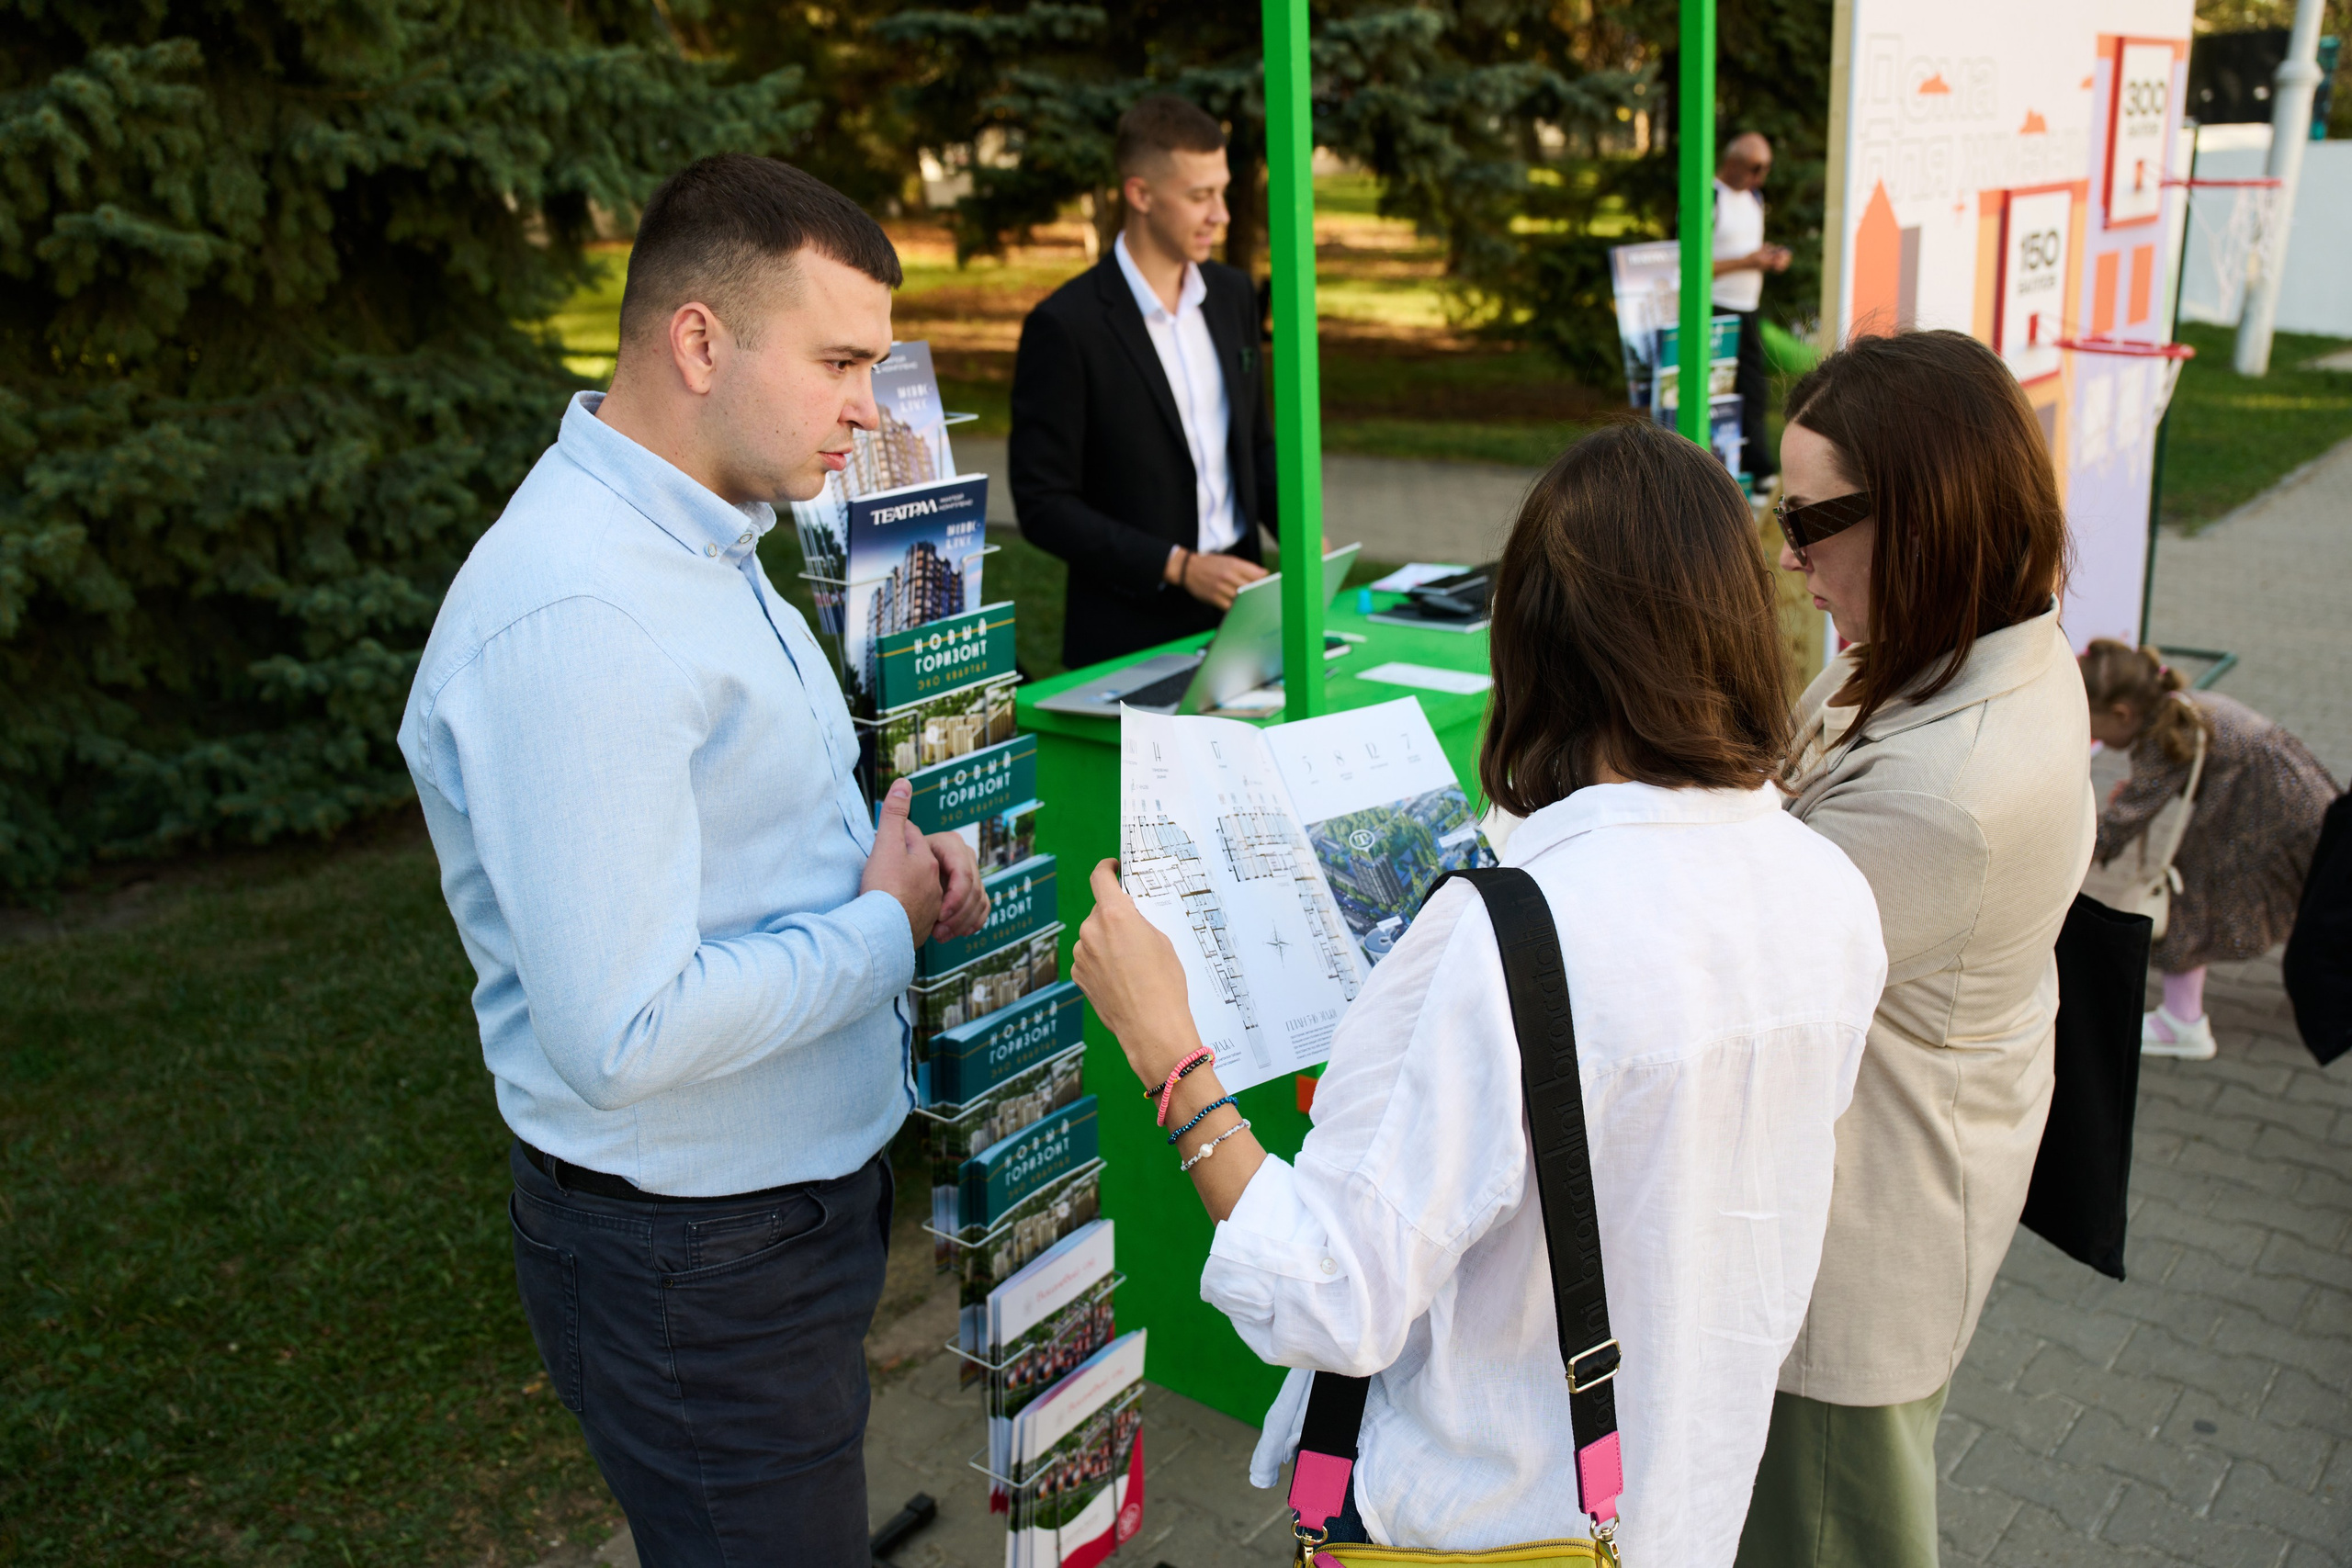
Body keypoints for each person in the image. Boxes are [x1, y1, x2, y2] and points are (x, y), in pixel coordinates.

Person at [1071, 421, 1889, 1567]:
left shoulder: (1503, 938)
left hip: (1484, 1513)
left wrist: (1170, 1056)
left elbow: (1328, 1298)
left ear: (1539, 651)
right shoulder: (1831, 890)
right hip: (1677, 1500)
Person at [396, 154, 989, 1568]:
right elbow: (623, 1027)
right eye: (842, 359)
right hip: (700, 1264)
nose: (870, 401)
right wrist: (884, 929)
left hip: (772, 1225)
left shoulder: (710, 531)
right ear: (701, 339)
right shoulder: (579, 609)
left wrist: (880, 858)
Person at [1740, 329, 2094, 1568]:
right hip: (1891, 1180)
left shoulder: (1947, 788)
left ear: (1932, 514)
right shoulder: (1956, 649)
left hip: (1854, 1262)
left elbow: (1733, 964)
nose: (1789, 555)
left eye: (1812, 518)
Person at [1009, 94, 1279, 669]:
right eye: (1200, 196)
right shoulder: (1064, 325)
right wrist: (1178, 565)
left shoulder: (1233, 297)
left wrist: (1304, 535)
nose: (1222, 215)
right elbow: (1042, 503)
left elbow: (1255, 444)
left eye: (1223, 191)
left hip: (1242, 607)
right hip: (1128, 630)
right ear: (1140, 194)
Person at [2079, 639, 2337, 1060]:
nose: (2091, 738)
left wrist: (2065, 855)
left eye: (2091, 725)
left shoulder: (2164, 736)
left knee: (2189, 903)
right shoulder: (2175, 707)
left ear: (2122, 713)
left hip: (2265, 818)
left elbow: (2124, 820)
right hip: (2292, 806)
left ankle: (2183, 1024)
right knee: (2320, 897)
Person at [1713, 131, 1792, 488]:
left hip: (1748, 306)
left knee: (1753, 389)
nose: (1760, 178)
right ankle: (1716, 467)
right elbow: (1691, 264)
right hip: (1715, 306)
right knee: (1719, 392)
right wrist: (1748, 261)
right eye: (1755, 169)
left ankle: (1756, 467)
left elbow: (1748, 248)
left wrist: (1769, 258)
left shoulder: (1755, 198)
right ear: (1733, 163)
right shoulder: (1711, 197)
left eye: (1766, 170)